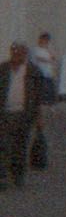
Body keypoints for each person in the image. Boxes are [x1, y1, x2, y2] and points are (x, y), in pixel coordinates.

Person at [0, 42, 43, 187]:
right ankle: (3, 177)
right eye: (14, 52)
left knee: (20, 146)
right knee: (3, 146)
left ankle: (18, 175)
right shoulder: (3, 69)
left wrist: (39, 117)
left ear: (25, 54)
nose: (16, 55)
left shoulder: (33, 71)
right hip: (5, 114)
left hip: (25, 115)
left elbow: (38, 96)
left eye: (20, 53)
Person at [32, 32, 59, 104]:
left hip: (48, 71)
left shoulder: (48, 49)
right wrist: (49, 60)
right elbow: (39, 58)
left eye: (47, 40)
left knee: (50, 86)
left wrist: (48, 49)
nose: (45, 42)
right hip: (40, 70)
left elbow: (54, 57)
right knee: (42, 86)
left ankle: (50, 100)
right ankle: (41, 100)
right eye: (44, 39)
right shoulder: (36, 49)